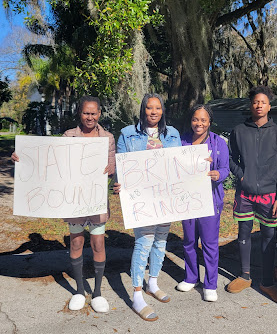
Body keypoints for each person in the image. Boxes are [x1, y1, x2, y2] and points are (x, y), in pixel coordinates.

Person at [12, 95, 115, 313]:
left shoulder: (108, 138)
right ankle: (79, 290)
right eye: (86, 113)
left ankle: (97, 293)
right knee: (76, 243)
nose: (90, 117)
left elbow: (112, 167)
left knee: (98, 244)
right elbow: (52, 164)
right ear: (80, 113)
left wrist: (110, 169)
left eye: (93, 113)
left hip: (95, 201)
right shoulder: (69, 135)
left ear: (99, 114)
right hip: (74, 200)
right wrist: (23, 159)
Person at [113, 93, 181, 322]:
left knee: (161, 239)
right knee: (144, 243)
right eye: (149, 108)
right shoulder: (127, 134)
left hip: (165, 197)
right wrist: (118, 181)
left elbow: (179, 164)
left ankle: (152, 282)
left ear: (163, 110)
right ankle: (137, 295)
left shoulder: (172, 134)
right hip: (141, 198)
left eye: (158, 108)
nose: (153, 112)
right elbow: (120, 166)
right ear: (143, 110)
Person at [227, 86, 277, 304]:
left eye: (263, 102)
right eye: (255, 102)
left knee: (268, 238)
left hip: (269, 196)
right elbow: (230, 158)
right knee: (243, 233)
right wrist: (241, 176)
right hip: (245, 194)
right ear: (251, 105)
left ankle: (267, 282)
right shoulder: (238, 131)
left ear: (269, 106)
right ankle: (244, 276)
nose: (259, 105)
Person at [176, 104, 229, 302]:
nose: (199, 123)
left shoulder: (218, 143)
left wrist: (217, 174)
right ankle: (191, 277)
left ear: (209, 122)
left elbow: (225, 168)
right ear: (191, 121)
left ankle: (210, 284)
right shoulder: (181, 141)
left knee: (209, 243)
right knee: (189, 241)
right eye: (195, 119)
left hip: (210, 200)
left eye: (203, 120)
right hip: (187, 199)